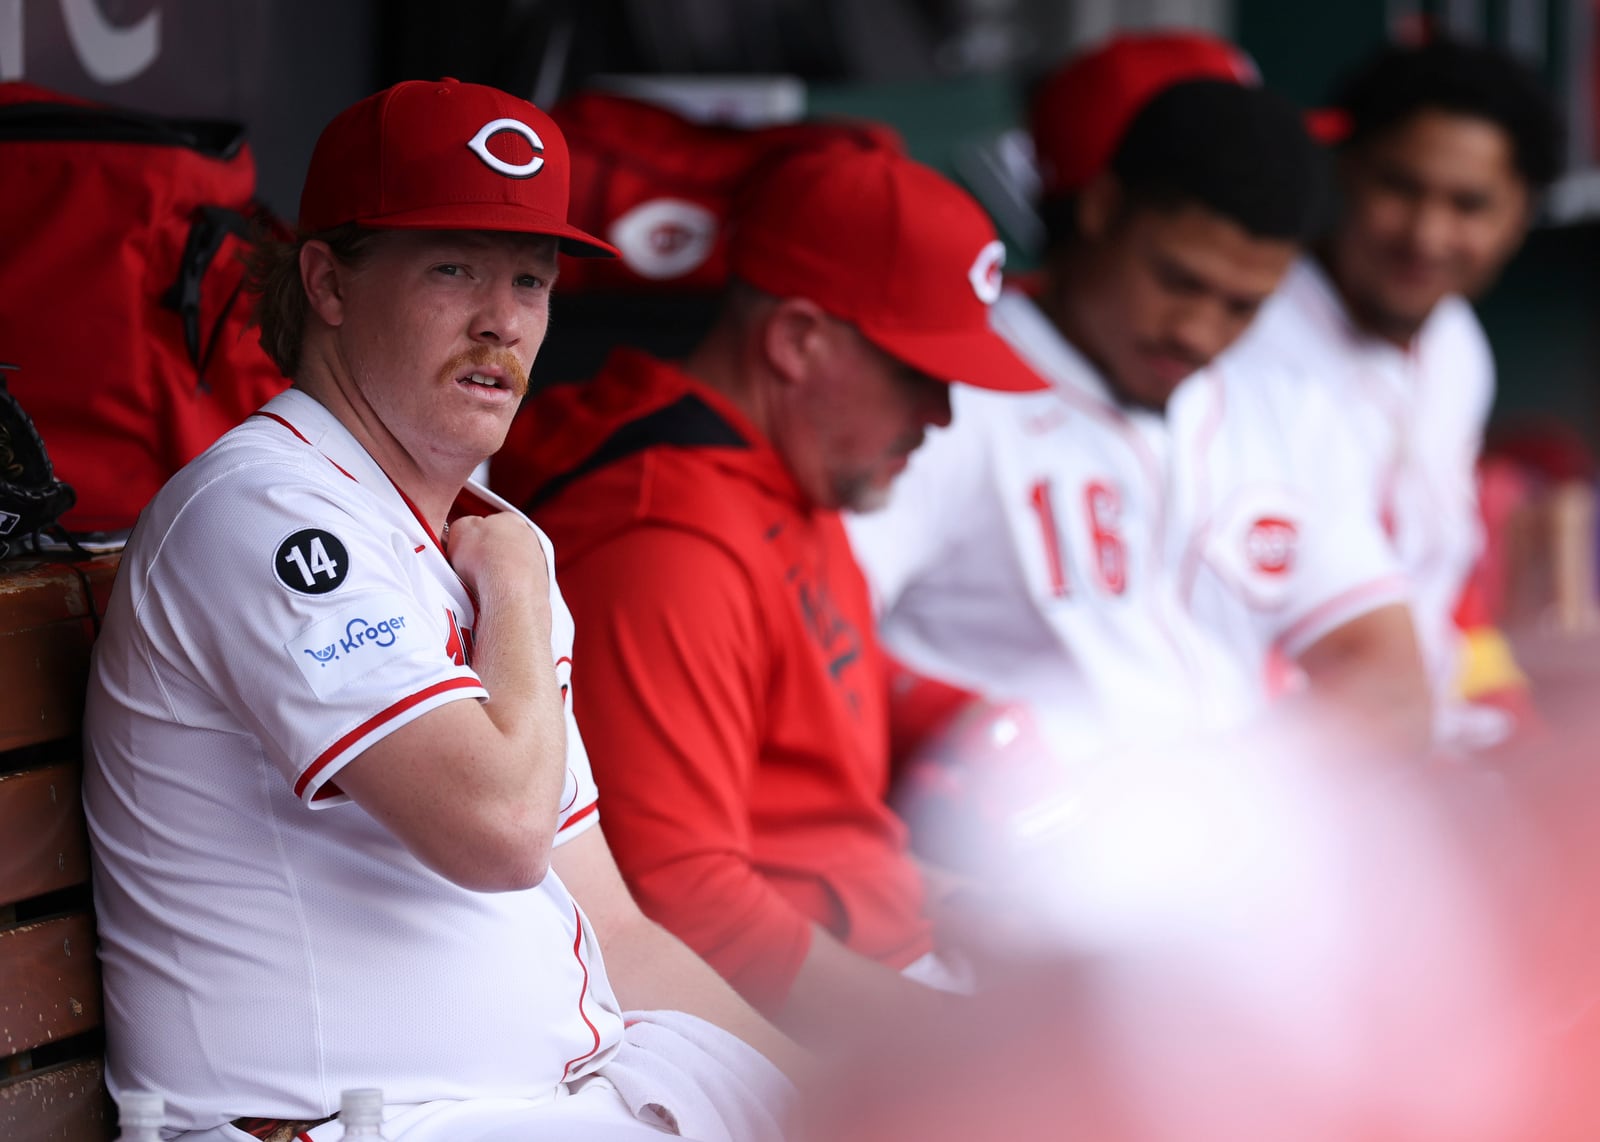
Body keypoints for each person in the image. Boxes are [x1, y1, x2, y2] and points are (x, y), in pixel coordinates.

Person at [82, 77, 801, 1142]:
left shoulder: (468, 530)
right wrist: (516, 586)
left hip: (560, 1089)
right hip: (360, 1120)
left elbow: (612, 923)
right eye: (452, 267)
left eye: (530, 278)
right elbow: (502, 833)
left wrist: (861, 1097)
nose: (500, 319)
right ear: (325, 281)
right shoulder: (269, 513)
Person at [493, 142, 1047, 1042]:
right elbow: (677, 906)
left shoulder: (796, 468)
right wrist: (955, 1052)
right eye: (919, 373)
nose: (944, 415)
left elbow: (823, 817)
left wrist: (969, 910)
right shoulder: (665, 540)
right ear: (796, 341)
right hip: (777, 1038)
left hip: (891, 962)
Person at [846, 31, 1433, 770]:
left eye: (1242, 305)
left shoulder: (1282, 407)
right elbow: (812, 631)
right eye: (1178, 280)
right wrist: (975, 748)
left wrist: (1256, 799)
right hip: (1011, 841)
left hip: (1228, 841)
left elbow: (1386, 676)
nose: (1198, 331)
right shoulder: (948, 388)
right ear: (1102, 208)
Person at [1233, 37, 1564, 752]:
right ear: (1344, 172)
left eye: (1469, 204)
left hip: (1432, 735)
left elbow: (1442, 587)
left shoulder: (1455, 343)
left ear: (1519, 215)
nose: (1426, 234)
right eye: (1400, 188)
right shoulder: (1249, 342)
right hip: (1300, 755)